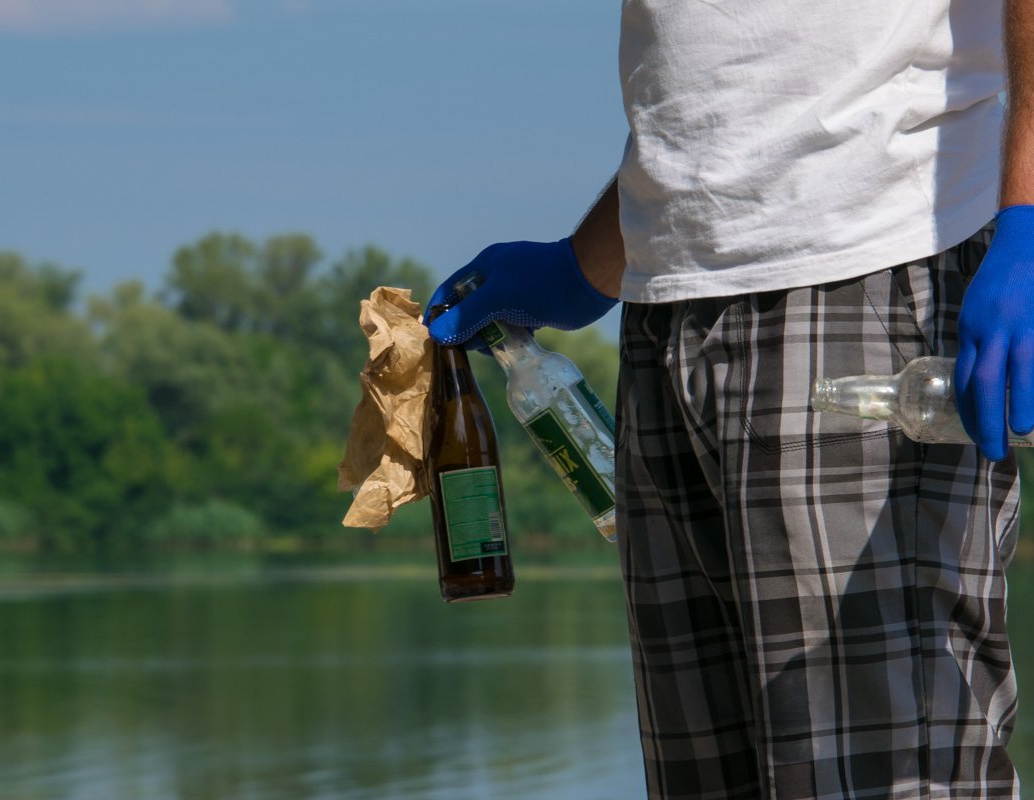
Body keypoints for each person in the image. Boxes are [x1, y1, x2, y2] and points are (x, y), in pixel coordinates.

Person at [424, 2, 1029, 798]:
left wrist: (1028, 209)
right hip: (665, 308)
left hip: (872, 269)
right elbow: (727, 79)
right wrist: (591, 261)